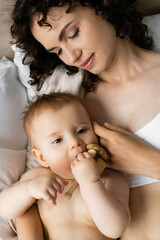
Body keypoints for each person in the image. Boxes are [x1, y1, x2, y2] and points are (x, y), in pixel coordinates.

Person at [10, 0, 160, 239]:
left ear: (104, 4)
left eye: (73, 33)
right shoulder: (64, 100)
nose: (71, 56)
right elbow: (29, 202)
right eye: (57, 51)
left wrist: (151, 162)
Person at [0, 92, 130, 240]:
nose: (75, 142)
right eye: (57, 140)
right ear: (42, 157)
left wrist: (91, 183)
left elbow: (116, 229)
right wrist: (28, 189)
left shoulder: (110, 181)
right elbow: (5, 209)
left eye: (81, 131)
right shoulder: (39, 177)